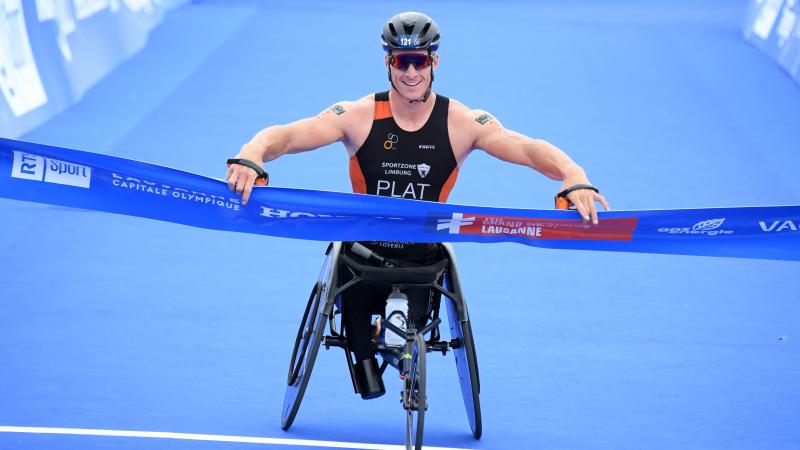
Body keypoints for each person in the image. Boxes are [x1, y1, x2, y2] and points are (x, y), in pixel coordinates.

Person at [227, 11, 609, 399]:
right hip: (361, 254)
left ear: (434, 62)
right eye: (401, 61)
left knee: (406, 333)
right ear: (388, 63)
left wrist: (573, 175)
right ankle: (364, 350)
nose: (411, 72)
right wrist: (251, 153)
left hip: (424, 260)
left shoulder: (462, 122)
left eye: (420, 61)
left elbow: (524, 147)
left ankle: (394, 344)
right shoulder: (358, 116)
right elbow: (290, 136)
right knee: (366, 374)